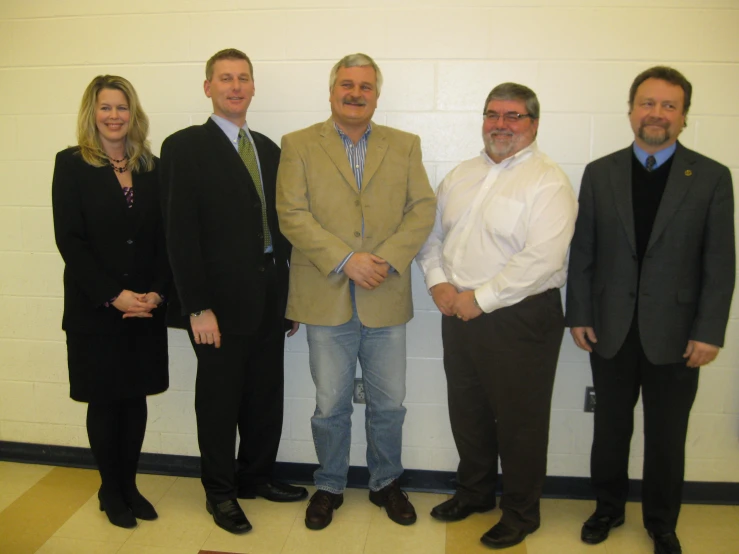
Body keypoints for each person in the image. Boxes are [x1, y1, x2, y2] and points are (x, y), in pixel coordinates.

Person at [565, 66, 735, 554]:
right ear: (631, 109)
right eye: (647, 103)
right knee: (610, 428)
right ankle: (607, 509)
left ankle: (662, 522)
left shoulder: (711, 177)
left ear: (683, 116)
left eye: (668, 105)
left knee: (667, 436)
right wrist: (579, 314)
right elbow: (584, 252)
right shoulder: (601, 172)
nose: (656, 113)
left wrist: (709, 332)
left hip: (679, 335)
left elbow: (720, 264)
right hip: (611, 330)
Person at [276, 53, 436, 530]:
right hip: (325, 297)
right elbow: (291, 213)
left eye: (365, 86)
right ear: (331, 92)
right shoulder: (299, 144)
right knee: (331, 404)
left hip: (385, 293)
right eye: (346, 84)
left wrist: (383, 259)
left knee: (390, 403)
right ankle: (328, 484)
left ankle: (386, 481)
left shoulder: (405, 145)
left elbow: (422, 208)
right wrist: (348, 260)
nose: (355, 93)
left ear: (376, 95)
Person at [416, 83, 577, 549]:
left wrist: (480, 299)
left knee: (519, 420)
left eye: (513, 116)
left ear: (533, 124)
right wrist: (438, 282)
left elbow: (542, 259)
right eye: (492, 114)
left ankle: (522, 513)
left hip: (520, 317)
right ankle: (475, 493)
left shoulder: (548, 182)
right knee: (468, 411)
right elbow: (431, 238)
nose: (500, 125)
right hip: (457, 310)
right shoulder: (460, 176)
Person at [159, 48, 306, 535]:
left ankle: (256, 477)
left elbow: (282, 228)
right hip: (216, 306)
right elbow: (179, 234)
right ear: (208, 87)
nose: (235, 86)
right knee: (220, 402)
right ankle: (220, 493)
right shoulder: (184, 147)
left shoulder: (267, 147)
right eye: (225, 78)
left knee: (266, 395)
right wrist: (196, 307)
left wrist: (290, 299)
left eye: (243, 78)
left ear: (253, 87)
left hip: (269, 296)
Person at [52, 75, 170, 529]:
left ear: (132, 113)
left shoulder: (152, 167)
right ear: (92, 113)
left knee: (134, 400)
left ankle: (130, 485)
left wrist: (155, 294)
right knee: (105, 402)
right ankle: (109, 489)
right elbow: (71, 241)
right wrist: (114, 296)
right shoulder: (71, 165)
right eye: (106, 108)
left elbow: (164, 239)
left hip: (143, 307)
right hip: (96, 309)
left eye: (122, 107)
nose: (114, 116)